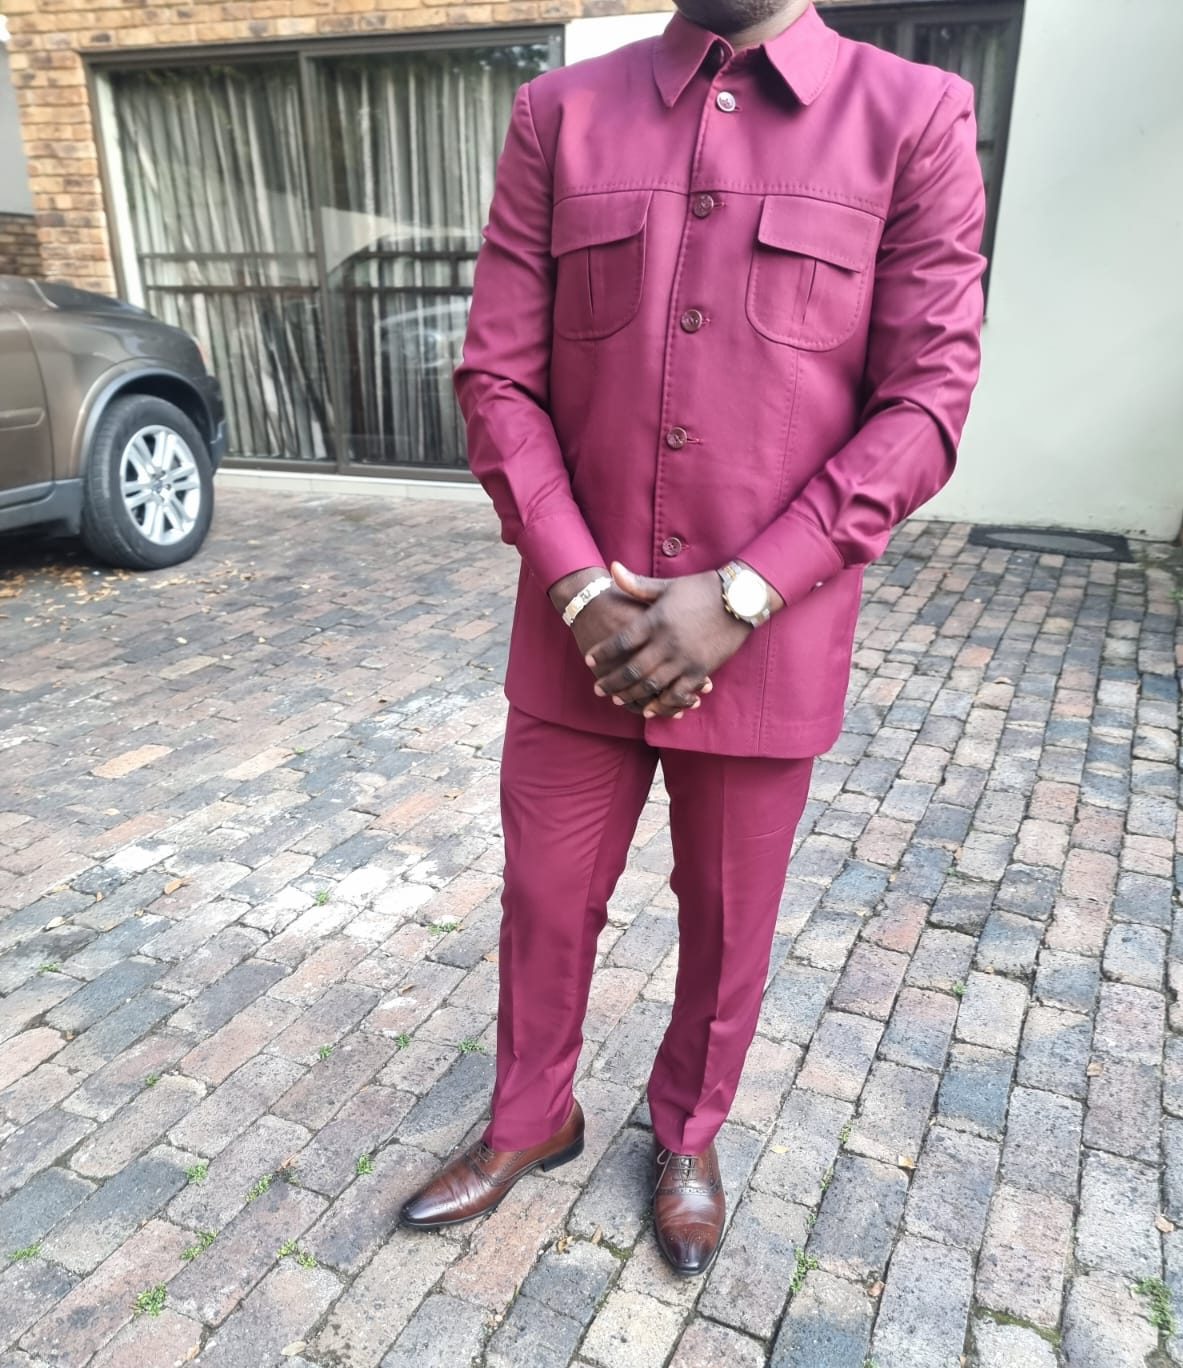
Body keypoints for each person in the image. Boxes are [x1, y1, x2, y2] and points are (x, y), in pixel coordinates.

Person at [398, 0, 986, 1276]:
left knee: (728, 923)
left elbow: (927, 399)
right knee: (545, 898)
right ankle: (532, 1117)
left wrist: (747, 591)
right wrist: (576, 585)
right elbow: (499, 376)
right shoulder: (562, 114)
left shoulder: (911, 118)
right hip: (581, 632)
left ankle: (688, 1136)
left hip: (768, 643)